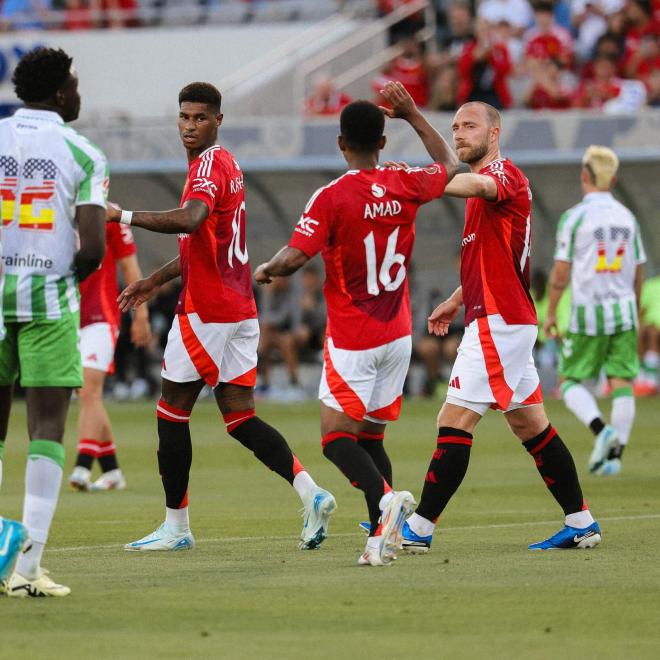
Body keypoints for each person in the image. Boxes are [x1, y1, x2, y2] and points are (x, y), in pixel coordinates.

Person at [107, 82, 335, 553]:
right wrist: (154, 280)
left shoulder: (209, 165)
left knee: (171, 412)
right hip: (238, 306)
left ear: (218, 121)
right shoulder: (227, 165)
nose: (190, 126)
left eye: (200, 118)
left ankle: (176, 527)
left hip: (208, 310)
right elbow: (203, 242)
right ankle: (311, 493)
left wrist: (121, 214)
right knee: (239, 417)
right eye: (184, 117)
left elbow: (190, 219)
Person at [254, 84, 460, 566]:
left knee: (334, 439)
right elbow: (451, 167)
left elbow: (296, 256)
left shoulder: (333, 196)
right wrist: (411, 114)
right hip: (397, 334)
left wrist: (267, 269)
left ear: (341, 143)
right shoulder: (405, 181)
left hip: (353, 337)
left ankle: (386, 501)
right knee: (370, 438)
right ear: (383, 143)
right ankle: (379, 535)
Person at [392, 99, 601, 553]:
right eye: (455, 127)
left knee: (455, 419)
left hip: (501, 322)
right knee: (530, 425)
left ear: (494, 133)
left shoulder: (505, 175)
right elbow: (493, 261)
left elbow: (477, 185)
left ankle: (419, 530)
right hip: (503, 318)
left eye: (469, 126)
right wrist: (454, 300)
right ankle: (582, 522)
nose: (460, 133)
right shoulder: (479, 190)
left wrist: (415, 180)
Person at [0, 47, 106, 597]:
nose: (79, 94)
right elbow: (92, 247)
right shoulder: (82, 152)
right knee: (46, 428)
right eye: (77, 84)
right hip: (47, 302)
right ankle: (27, 569)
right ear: (62, 91)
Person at [545, 146, 646, 476]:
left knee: (569, 379)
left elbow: (561, 272)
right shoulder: (628, 218)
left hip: (588, 312)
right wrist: (635, 307)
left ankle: (602, 431)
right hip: (624, 310)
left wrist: (551, 313)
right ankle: (614, 459)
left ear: (584, 176)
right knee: (621, 381)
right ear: (613, 179)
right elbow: (638, 270)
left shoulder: (575, 217)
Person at [68, 223, 152, 492]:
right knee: (87, 393)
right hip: (67, 316)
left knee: (88, 390)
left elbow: (130, 268)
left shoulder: (111, 216)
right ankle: (112, 471)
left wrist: (141, 314)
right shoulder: (59, 207)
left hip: (101, 316)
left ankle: (82, 465)